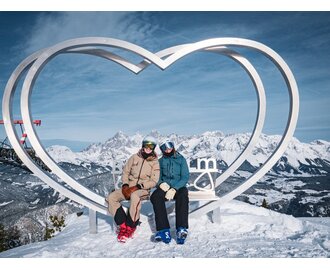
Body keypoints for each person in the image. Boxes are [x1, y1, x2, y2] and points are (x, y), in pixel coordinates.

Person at [107, 135, 160, 243]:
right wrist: (125, 185)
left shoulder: (155, 162)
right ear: (143, 145)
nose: (148, 148)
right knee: (112, 197)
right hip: (129, 187)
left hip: (143, 189)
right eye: (146, 145)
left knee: (135, 196)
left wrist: (140, 186)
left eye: (151, 146)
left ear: (154, 148)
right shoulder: (134, 157)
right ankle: (122, 225)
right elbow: (126, 172)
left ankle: (131, 226)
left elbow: (154, 181)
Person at [150, 140, 190, 245]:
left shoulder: (181, 159)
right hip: (165, 187)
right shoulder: (161, 161)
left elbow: (185, 176)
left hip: (179, 187)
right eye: (165, 148)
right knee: (155, 196)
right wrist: (161, 184)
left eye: (170, 147)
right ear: (162, 150)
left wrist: (175, 188)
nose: (168, 149)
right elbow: (157, 176)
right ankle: (163, 230)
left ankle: (181, 229)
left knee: (183, 196)